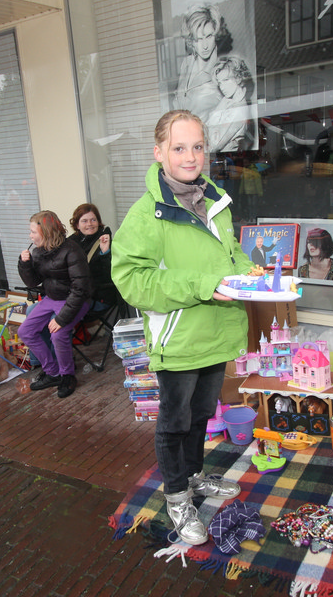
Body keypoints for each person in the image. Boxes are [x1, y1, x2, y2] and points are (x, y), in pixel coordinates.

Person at [111, 109, 254, 546]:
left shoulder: (215, 200)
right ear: (158, 152)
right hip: (178, 340)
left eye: (197, 147)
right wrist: (203, 285)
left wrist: (251, 273)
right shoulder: (146, 214)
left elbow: (229, 255)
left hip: (217, 331)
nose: (190, 157)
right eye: (179, 147)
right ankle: (176, 497)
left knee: (201, 414)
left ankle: (193, 476)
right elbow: (132, 280)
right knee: (174, 423)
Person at [17, 210, 93, 399]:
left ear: (46, 232)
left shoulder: (72, 250)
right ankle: (52, 372)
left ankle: (67, 376)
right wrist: (25, 264)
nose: (30, 236)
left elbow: (80, 289)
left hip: (75, 299)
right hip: (52, 298)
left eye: (33, 232)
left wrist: (61, 319)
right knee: (25, 331)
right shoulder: (39, 251)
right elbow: (33, 282)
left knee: (58, 334)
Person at [172, 4, 232, 120]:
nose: (205, 46)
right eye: (199, 39)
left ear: (216, 35)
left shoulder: (223, 69)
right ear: (191, 40)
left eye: (209, 36)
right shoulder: (186, 63)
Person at [67, 203, 118, 312]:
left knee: (58, 315)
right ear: (77, 225)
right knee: (33, 311)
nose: (89, 224)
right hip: (74, 294)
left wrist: (105, 252)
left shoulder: (105, 240)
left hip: (97, 297)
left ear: (98, 222)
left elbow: (111, 274)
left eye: (93, 220)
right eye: (84, 221)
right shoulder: (71, 242)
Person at [206, 54, 254, 153]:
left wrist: (217, 113)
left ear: (238, 78)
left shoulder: (238, 109)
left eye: (226, 80)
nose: (222, 87)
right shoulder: (227, 102)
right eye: (220, 83)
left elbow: (214, 145)